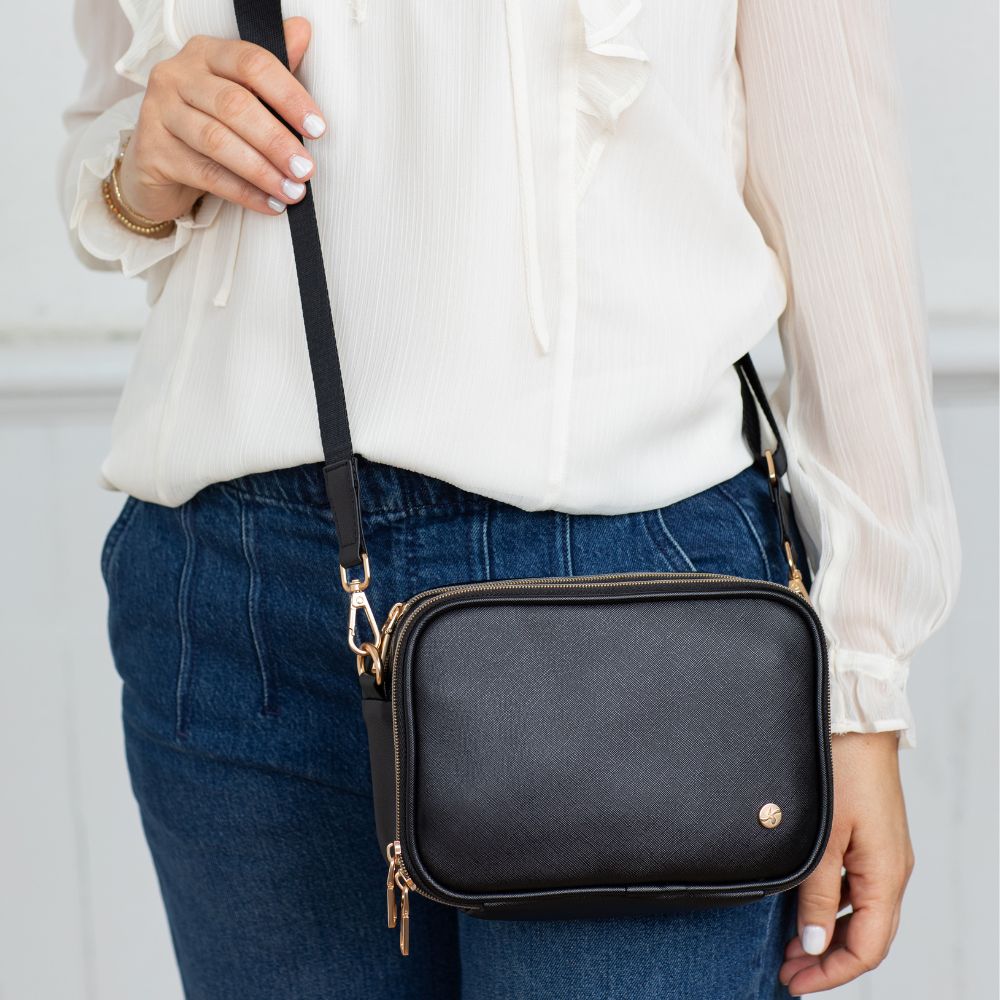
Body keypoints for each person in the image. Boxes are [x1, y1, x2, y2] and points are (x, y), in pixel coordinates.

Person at [59, 1, 961, 997]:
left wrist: (863, 684)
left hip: (625, 597)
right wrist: (138, 173)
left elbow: (842, 205)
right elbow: (107, 137)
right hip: (232, 594)